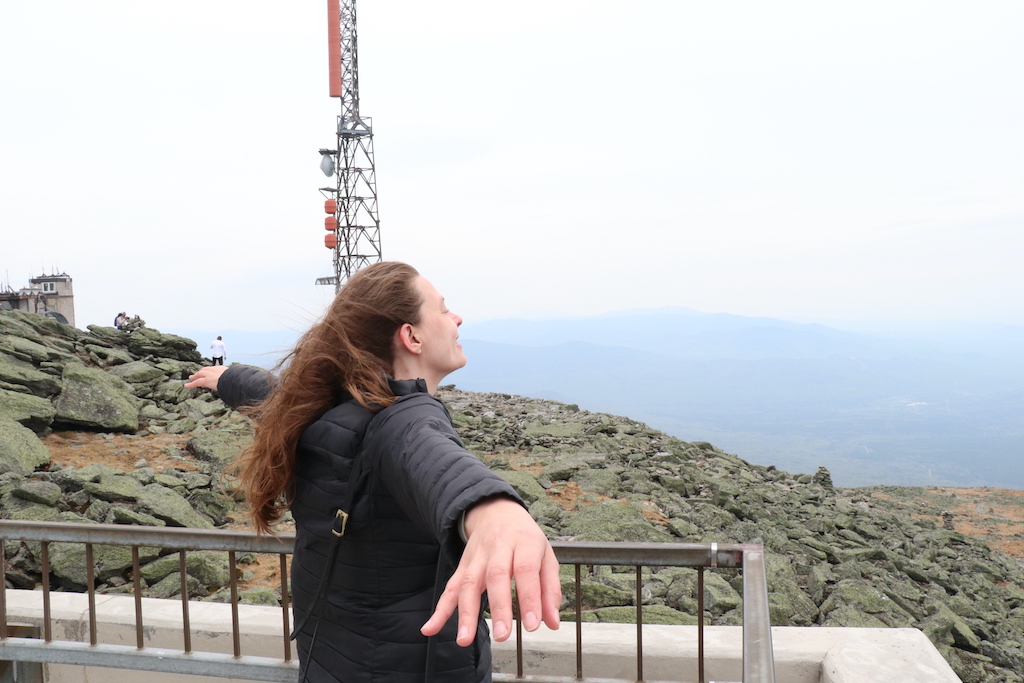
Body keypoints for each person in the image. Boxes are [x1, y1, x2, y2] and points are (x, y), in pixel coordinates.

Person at [186, 262, 560, 683]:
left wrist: (227, 377)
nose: (456, 318)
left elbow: (270, 393)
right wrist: (494, 512)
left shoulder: (318, 411)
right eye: (442, 309)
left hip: (329, 661)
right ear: (411, 337)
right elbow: (430, 456)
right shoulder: (401, 419)